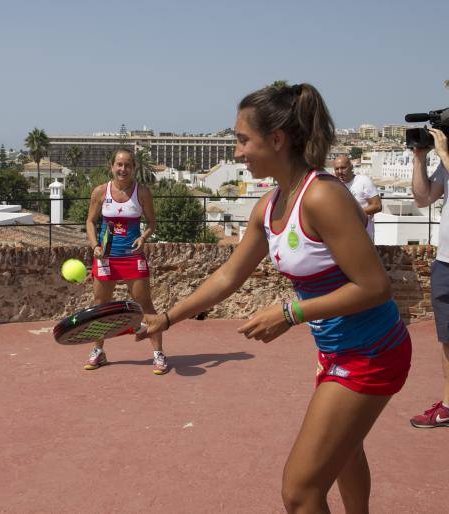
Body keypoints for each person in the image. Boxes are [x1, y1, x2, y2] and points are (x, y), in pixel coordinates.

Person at [139, 83, 411, 512]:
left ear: (277, 139)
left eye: (242, 139)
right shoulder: (269, 204)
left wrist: (290, 312)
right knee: (344, 454)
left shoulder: (323, 196)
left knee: (299, 492)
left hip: (373, 352)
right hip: (339, 351)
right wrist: (167, 318)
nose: (236, 152)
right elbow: (229, 275)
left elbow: (375, 286)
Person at [84, 148, 167, 374]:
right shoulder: (100, 192)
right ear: (111, 167)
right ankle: (98, 351)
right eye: (119, 165)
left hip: (132, 258)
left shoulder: (143, 193)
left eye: (128, 165)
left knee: (146, 306)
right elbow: (90, 222)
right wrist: (95, 246)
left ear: (134, 168)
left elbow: (152, 223)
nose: (123, 169)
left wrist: (143, 237)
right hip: (106, 259)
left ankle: (158, 354)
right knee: (101, 307)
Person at [410, 126, 449, 428]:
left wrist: (445, 153)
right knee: (447, 340)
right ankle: (448, 406)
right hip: (445, 263)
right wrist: (420, 159)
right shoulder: (446, 162)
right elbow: (423, 198)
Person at [333, 155, 381, 240]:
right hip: (343, 236)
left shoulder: (363, 181)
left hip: (363, 234)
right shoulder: (334, 185)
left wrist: (352, 213)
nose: (340, 171)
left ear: (351, 167)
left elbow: (377, 206)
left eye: (343, 168)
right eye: (337, 169)